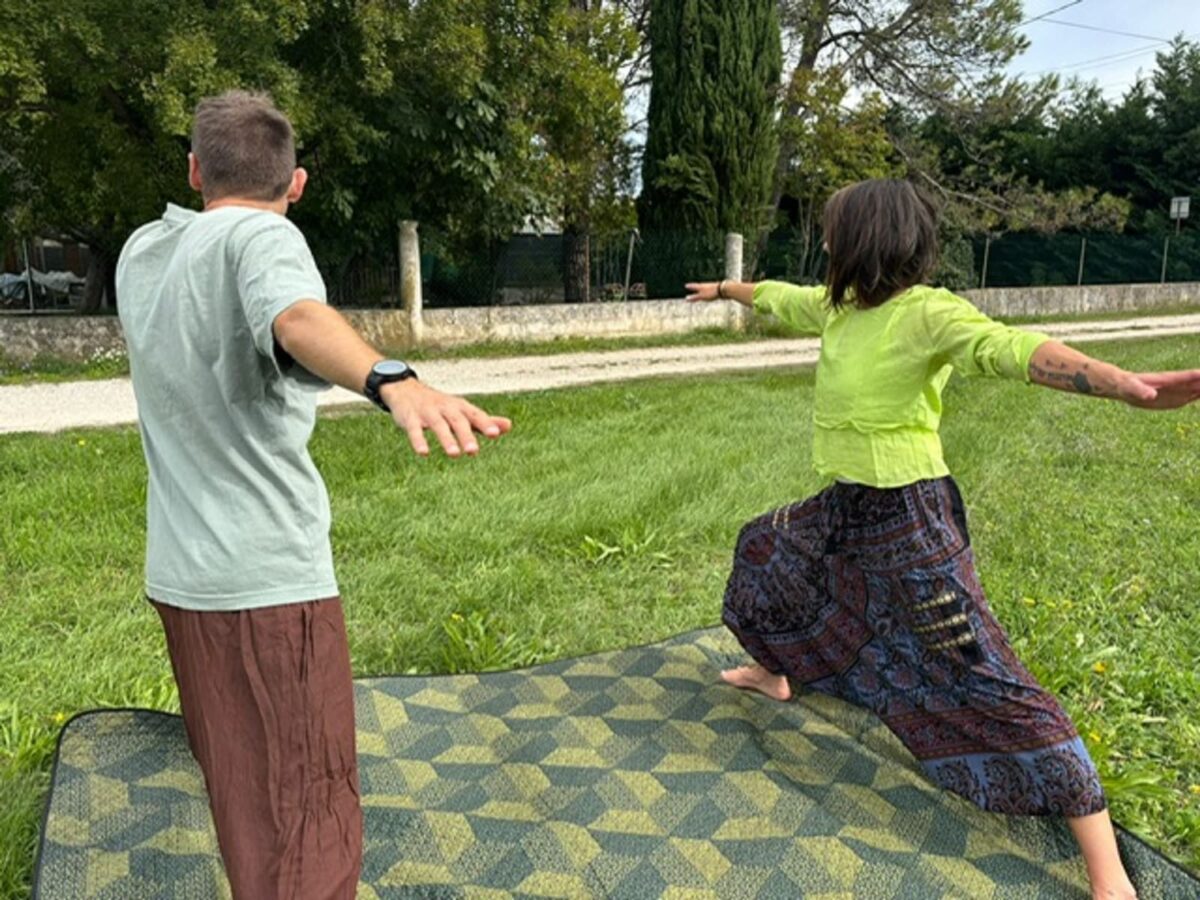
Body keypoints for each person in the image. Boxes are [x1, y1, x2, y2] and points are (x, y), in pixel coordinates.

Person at [686, 178, 1200, 900]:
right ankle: (776, 671)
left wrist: (1118, 382)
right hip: (846, 508)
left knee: (986, 672)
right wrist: (721, 288)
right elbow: (776, 295)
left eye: (833, 228)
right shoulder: (838, 309)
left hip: (912, 519)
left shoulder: (926, 312)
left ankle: (1105, 866)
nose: (824, 239)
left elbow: (1005, 347)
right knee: (763, 550)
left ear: (863, 237)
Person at [116, 89, 512, 899]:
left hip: (183, 579)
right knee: (307, 819)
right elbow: (296, 318)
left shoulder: (144, 253)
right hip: (267, 589)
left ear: (194, 171)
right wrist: (393, 379)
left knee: (245, 797)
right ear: (296, 184)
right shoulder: (264, 236)